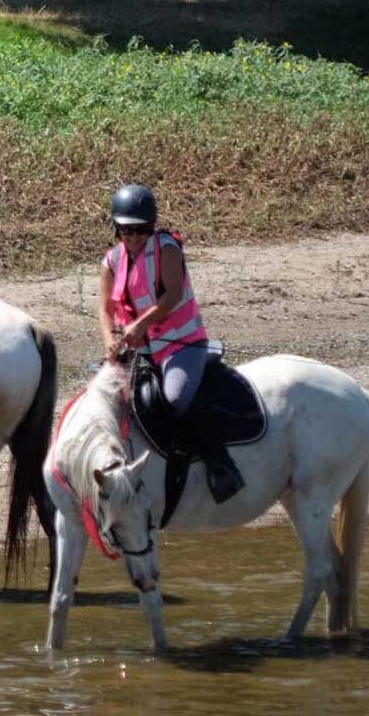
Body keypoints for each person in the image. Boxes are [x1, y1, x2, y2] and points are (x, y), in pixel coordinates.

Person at [99, 182, 242, 501]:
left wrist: (139, 324)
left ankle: (219, 463)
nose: (134, 237)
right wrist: (111, 339)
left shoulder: (167, 249)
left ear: (151, 228)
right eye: (126, 230)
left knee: (175, 399)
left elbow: (173, 295)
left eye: (141, 230)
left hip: (181, 345)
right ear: (116, 229)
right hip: (138, 350)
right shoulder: (111, 261)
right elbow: (105, 309)